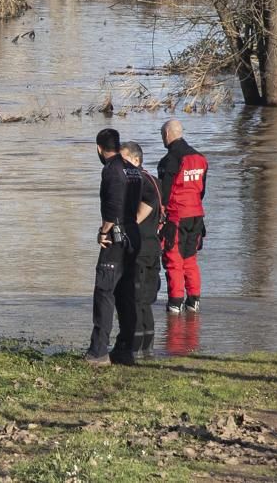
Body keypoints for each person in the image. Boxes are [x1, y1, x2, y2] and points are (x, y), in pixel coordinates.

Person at [86, 128, 142, 367]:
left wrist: (103, 231)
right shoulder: (133, 169)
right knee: (126, 293)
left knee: (104, 292)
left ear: (99, 148)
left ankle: (98, 352)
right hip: (133, 234)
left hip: (116, 237)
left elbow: (113, 205)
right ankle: (125, 348)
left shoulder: (111, 170)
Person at [157, 119, 208, 314]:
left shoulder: (170, 160)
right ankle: (193, 301)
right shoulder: (200, 158)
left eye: (163, 135)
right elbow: (202, 190)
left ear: (167, 135)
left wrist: (161, 216)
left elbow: (165, 192)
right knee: (190, 259)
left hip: (177, 215)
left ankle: (175, 303)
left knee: (173, 260)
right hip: (196, 215)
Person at [119, 141, 163, 358]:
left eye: (124, 159)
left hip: (140, 247)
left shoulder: (138, 180)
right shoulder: (155, 181)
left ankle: (134, 348)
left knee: (136, 298)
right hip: (153, 246)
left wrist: (132, 220)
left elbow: (148, 202)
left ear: (136, 160)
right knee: (145, 299)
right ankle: (147, 348)